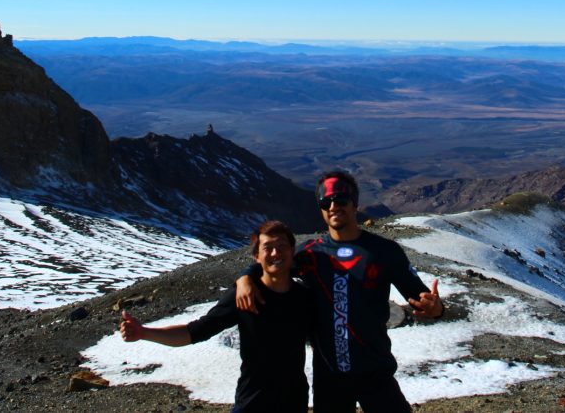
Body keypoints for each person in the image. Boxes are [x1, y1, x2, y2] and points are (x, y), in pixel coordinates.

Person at [236, 170, 443, 413]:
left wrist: (436, 308)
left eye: (341, 200)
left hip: (375, 371)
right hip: (329, 377)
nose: (333, 206)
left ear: (355, 204)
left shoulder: (385, 251)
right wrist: (245, 277)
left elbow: (422, 298)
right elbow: (271, 263)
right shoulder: (310, 254)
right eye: (326, 202)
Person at [121, 220, 312, 413]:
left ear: (292, 251)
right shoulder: (244, 296)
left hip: (294, 404)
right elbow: (197, 331)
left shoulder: (305, 297)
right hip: (253, 404)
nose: (275, 253)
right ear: (257, 256)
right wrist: (144, 333)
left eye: (281, 246)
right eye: (268, 248)